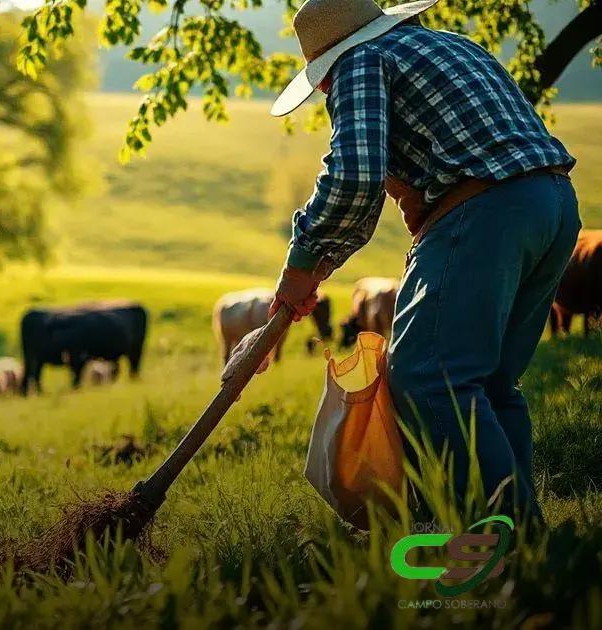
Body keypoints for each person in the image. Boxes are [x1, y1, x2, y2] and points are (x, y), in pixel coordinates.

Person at [236, 0, 579, 521]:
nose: (326, 91)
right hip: (551, 205)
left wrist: (300, 265)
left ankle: (499, 538)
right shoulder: (449, 46)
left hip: (484, 211)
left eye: (322, 80)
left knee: (430, 376)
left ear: (330, 63)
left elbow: (353, 175)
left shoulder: (360, 62)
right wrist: (320, 269)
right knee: (489, 382)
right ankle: (527, 545)